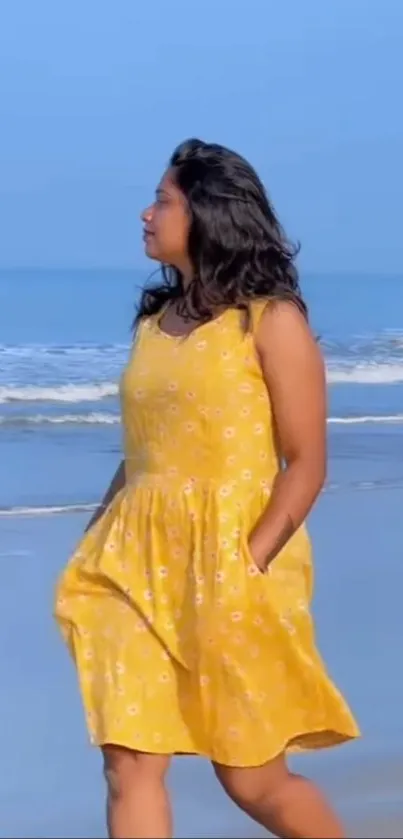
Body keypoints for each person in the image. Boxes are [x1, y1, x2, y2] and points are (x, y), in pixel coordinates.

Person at [54, 138, 360, 839]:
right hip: (131, 565)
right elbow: (143, 456)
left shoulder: (271, 320)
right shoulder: (151, 324)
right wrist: (93, 542)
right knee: (128, 762)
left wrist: (246, 564)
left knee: (251, 777)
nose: (146, 211)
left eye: (162, 199)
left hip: (232, 559)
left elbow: (305, 462)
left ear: (208, 213)